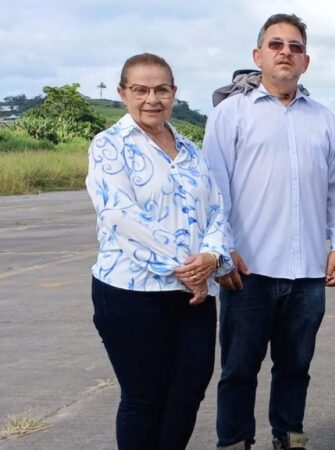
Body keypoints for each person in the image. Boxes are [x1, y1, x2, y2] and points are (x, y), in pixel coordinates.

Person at [203, 13, 335, 450]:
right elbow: (214, 191)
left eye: (295, 47)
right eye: (276, 45)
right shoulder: (230, 115)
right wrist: (223, 252)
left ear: (306, 61)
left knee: (295, 365)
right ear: (258, 55)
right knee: (238, 368)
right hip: (248, 269)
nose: (286, 52)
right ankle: (233, 441)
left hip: (307, 270)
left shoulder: (324, 120)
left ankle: (288, 436)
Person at [86, 52, 233, 450]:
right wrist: (186, 272)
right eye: (141, 89)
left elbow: (217, 209)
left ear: (174, 93)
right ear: (123, 93)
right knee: (144, 398)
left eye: (161, 89)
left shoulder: (189, 149)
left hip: (194, 295)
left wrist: (211, 258)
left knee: (187, 394)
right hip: (131, 294)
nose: (152, 98)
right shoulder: (109, 146)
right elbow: (120, 217)